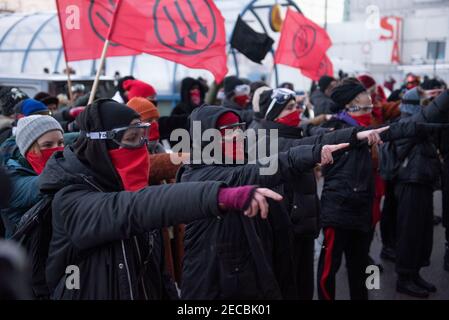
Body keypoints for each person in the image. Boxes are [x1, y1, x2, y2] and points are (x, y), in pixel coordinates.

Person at [38, 99, 280, 299]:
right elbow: (134, 208)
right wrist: (221, 194)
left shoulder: (127, 189)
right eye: (132, 138)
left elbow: (156, 271)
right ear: (101, 144)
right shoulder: (70, 200)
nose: (142, 147)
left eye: (144, 136)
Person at [178, 104, 350, 299]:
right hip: (214, 284)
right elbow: (264, 168)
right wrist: (312, 154)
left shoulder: (239, 163)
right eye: (227, 131)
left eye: (238, 128)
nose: (237, 135)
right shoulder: (200, 174)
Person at [249, 87, 387, 299]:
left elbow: (314, 136)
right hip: (290, 225)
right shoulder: (266, 140)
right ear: (274, 113)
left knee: (308, 284)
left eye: (297, 106)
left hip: (308, 224)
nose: (297, 111)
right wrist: (355, 135)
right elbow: (309, 145)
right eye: (289, 108)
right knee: (301, 281)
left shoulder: (300, 131)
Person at [1, 115, 64, 238]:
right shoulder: (11, 178)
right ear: (28, 148)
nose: (57, 149)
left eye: (60, 142)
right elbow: (42, 184)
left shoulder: (50, 165)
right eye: (47, 145)